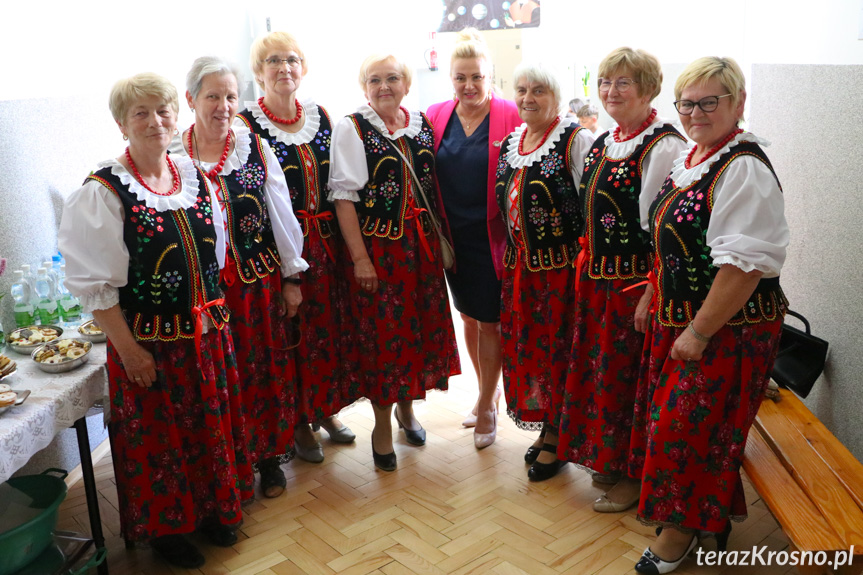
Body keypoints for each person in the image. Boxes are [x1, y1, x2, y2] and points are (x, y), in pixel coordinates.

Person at [58, 73, 253, 568]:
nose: (154, 121)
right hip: (151, 345)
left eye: (163, 110)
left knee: (206, 427)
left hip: (206, 335)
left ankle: (212, 509)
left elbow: (217, 253)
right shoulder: (103, 191)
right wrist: (129, 351)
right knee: (160, 440)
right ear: (121, 122)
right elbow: (95, 288)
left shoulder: (193, 176)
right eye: (140, 113)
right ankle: (168, 530)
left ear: (176, 115)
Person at [629, 56, 789, 574]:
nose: (695, 112)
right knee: (689, 429)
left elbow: (743, 269)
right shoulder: (697, 156)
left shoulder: (742, 167)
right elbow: (673, 241)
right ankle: (708, 519)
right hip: (686, 321)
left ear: (738, 102)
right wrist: (654, 295)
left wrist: (699, 331)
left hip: (728, 329)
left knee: (685, 431)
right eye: (687, 102)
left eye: (709, 101)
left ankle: (679, 534)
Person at [557, 47, 687, 511]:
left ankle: (634, 477)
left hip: (634, 285)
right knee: (605, 374)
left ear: (649, 89)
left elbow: (662, 231)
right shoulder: (606, 139)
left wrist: (651, 293)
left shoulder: (663, 145)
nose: (611, 91)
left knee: (632, 382)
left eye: (624, 83)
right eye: (606, 82)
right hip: (598, 282)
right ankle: (609, 461)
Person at [171, 56, 308, 498]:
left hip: (255, 286)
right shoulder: (173, 157)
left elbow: (282, 218)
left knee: (263, 371)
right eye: (213, 96)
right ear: (191, 99)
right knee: (220, 380)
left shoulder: (254, 149)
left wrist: (292, 278)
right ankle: (230, 463)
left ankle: (269, 460)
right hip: (205, 296)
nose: (224, 106)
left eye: (231, 96)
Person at [328, 53, 460, 471]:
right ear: (363, 87)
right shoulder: (351, 128)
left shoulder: (420, 124)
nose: (384, 86)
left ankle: (408, 410)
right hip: (380, 253)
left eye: (392, 79)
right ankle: (382, 425)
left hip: (419, 253)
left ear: (406, 83)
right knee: (383, 341)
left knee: (415, 334)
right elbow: (344, 198)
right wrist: (361, 260)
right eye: (374, 80)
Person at [236, 31, 358, 465]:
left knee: (326, 332)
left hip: (326, 246)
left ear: (303, 68)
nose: (284, 67)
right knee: (292, 337)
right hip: (278, 254)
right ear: (258, 72)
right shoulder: (244, 126)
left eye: (291, 59)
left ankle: (324, 411)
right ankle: (299, 424)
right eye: (273, 61)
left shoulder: (321, 116)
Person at [495, 62, 593, 481]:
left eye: (538, 90)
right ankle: (550, 426)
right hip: (521, 270)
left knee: (559, 352)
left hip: (560, 274)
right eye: (521, 90)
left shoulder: (575, 139)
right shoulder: (512, 142)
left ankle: (558, 434)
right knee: (531, 350)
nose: (527, 98)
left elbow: (591, 208)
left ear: (555, 95)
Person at [426, 28, 521, 449]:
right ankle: (489, 391)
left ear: (490, 76)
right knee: (467, 316)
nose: (468, 86)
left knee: (490, 322)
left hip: (492, 237)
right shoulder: (435, 114)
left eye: (477, 77)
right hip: (453, 237)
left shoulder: (510, 114)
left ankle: (485, 404)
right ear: (450, 78)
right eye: (460, 77)